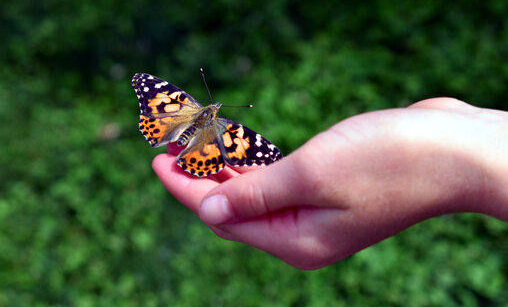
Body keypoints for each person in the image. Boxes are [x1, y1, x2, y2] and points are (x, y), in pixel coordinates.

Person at [152, 97, 508, 270]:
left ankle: (175, 140)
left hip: (183, 128)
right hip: (196, 135)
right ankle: (180, 146)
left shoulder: (198, 112)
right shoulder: (229, 130)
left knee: (182, 148)